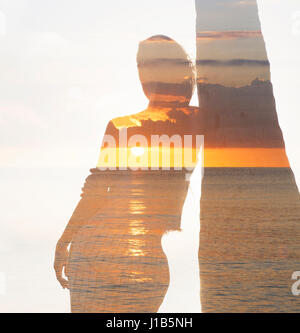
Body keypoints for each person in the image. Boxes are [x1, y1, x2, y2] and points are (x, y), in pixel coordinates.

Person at [54, 35, 203, 313]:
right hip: (138, 253)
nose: (142, 75)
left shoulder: (123, 127)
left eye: (145, 66)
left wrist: (64, 243)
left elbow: (95, 193)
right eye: (140, 66)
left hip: (103, 249)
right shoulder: (199, 122)